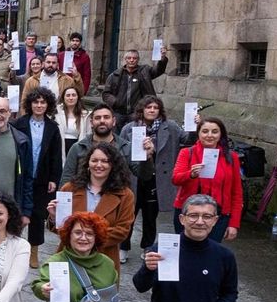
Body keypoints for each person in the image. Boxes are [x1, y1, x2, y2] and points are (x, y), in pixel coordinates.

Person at [50, 142, 135, 271]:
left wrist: (85, 239)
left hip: (103, 259)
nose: (99, 165)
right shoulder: (69, 188)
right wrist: (54, 217)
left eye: (105, 161)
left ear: (113, 165)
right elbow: (60, 229)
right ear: (87, 164)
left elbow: (122, 231)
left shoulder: (125, 195)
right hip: (70, 259)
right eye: (94, 160)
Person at [121, 96, 184, 253]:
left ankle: (147, 247)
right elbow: (120, 152)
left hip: (156, 180)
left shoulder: (170, 127)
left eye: (155, 108)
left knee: (150, 217)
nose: (152, 110)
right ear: (142, 109)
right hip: (134, 178)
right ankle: (123, 247)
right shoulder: (129, 128)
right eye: (148, 107)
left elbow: (187, 138)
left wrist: (194, 125)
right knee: (129, 215)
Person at [171, 117, 242, 242]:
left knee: (211, 252)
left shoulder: (231, 157)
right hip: (189, 213)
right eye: (205, 131)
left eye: (215, 132)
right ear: (198, 133)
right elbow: (176, 179)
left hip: (218, 215)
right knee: (186, 251)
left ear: (221, 134)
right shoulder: (187, 153)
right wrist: (190, 174)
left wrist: (233, 223)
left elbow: (236, 192)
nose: (209, 135)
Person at [14, 88, 63, 268]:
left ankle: (33, 251)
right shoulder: (19, 124)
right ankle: (15, 249)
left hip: (42, 177)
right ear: (30, 104)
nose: (39, 105)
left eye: (43, 102)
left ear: (48, 105)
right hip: (21, 175)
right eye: (36, 102)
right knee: (18, 211)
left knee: (37, 214)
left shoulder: (52, 128)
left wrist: (54, 179)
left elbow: (56, 156)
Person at [60, 104, 131, 187]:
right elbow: (66, 179)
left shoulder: (126, 147)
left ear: (114, 121)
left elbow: (143, 174)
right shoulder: (78, 148)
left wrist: (147, 157)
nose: (102, 121)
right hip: (84, 197)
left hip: (118, 197)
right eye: (97, 118)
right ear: (91, 122)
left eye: (106, 117)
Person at [104, 47, 168, 127]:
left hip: (136, 112)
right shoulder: (115, 75)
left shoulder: (145, 71)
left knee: (136, 135)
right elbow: (106, 94)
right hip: (118, 112)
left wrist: (162, 59)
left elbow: (158, 70)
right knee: (116, 135)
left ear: (138, 60)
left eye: (134, 58)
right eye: (129, 58)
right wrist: (115, 102)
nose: (131, 60)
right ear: (125, 59)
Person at [55, 86, 90, 155]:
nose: (71, 98)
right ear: (63, 98)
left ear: (78, 97)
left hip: (77, 148)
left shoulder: (85, 115)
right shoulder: (56, 113)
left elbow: (88, 135)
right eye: (68, 95)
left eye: (73, 95)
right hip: (58, 147)